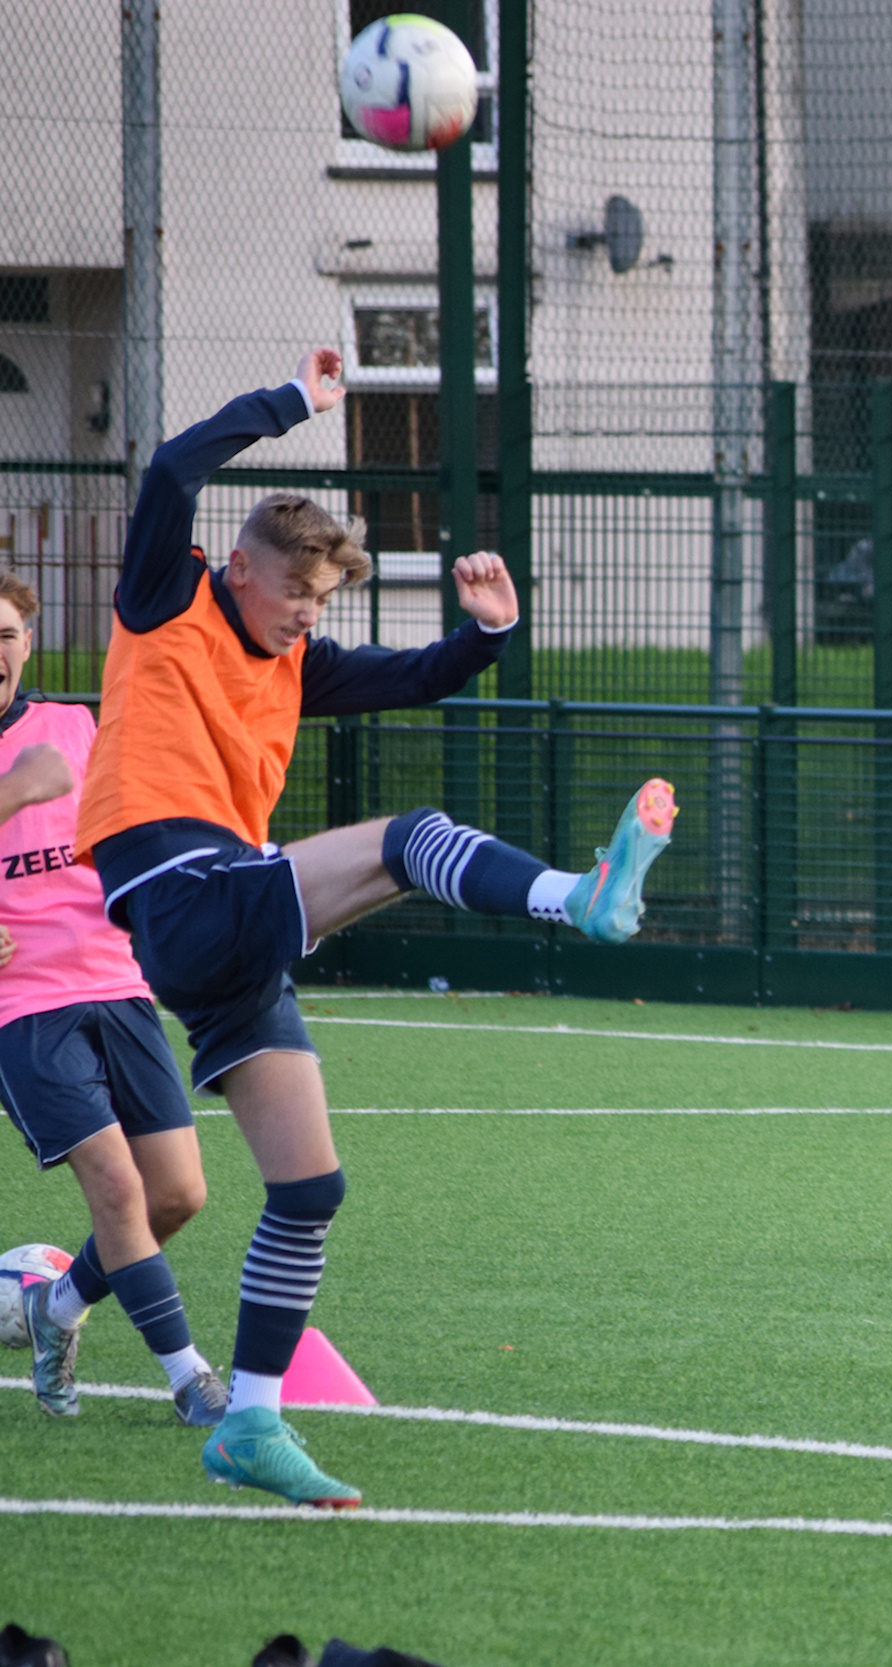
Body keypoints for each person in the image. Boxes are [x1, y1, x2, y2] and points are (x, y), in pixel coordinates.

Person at [73, 349, 678, 1509]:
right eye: (294, 589)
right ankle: (577, 899)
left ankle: (250, 1421)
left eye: (323, 598)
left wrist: (491, 634)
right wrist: (293, 402)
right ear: (237, 566)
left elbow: (418, 675)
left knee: (308, 1187)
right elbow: (169, 465)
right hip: (181, 890)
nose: (307, 613)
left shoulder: (296, 660)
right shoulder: (166, 599)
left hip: (228, 929)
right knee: (408, 838)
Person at [0, 572, 225, 1427]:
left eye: (6, 634)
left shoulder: (75, 728)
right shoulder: (33, 763)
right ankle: (191, 1378)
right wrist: (18, 787)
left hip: (116, 981)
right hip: (21, 1007)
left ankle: (58, 1309)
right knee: (119, 1190)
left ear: (28, 643)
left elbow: (133, 827)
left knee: (178, 1194)